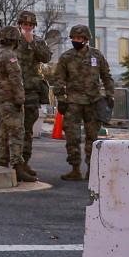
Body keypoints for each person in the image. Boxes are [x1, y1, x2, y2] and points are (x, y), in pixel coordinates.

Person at [50, 24, 115, 180]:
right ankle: (75, 169)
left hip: (93, 101)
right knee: (72, 137)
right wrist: (61, 98)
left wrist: (110, 94)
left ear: (86, 39)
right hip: (73, 103)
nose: (76, 40)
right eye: (74, 38)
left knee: (92, 138)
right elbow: (59, 79)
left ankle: (92, 170)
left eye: (80, 38)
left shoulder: (96, 56)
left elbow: (106, 76)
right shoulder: (66, 57)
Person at [0, 10, 51, 170]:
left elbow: (46, 58)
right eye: (25, 24)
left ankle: (23, 161)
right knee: (6, 127)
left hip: (30, 91)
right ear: (19, 25)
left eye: (30, 25)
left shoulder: (39, 42)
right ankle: (0, 157)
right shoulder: (12, 43)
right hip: (10, 92)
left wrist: (32, 44)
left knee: (27, 130)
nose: (27, 27)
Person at [0, 26, 35, 182]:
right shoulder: (10, 55)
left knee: (4, 130)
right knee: (17, 131)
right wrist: (20, 98)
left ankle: (2, 160)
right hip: (9, 97)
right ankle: (17, 165)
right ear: (15, 40)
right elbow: (15, 78)